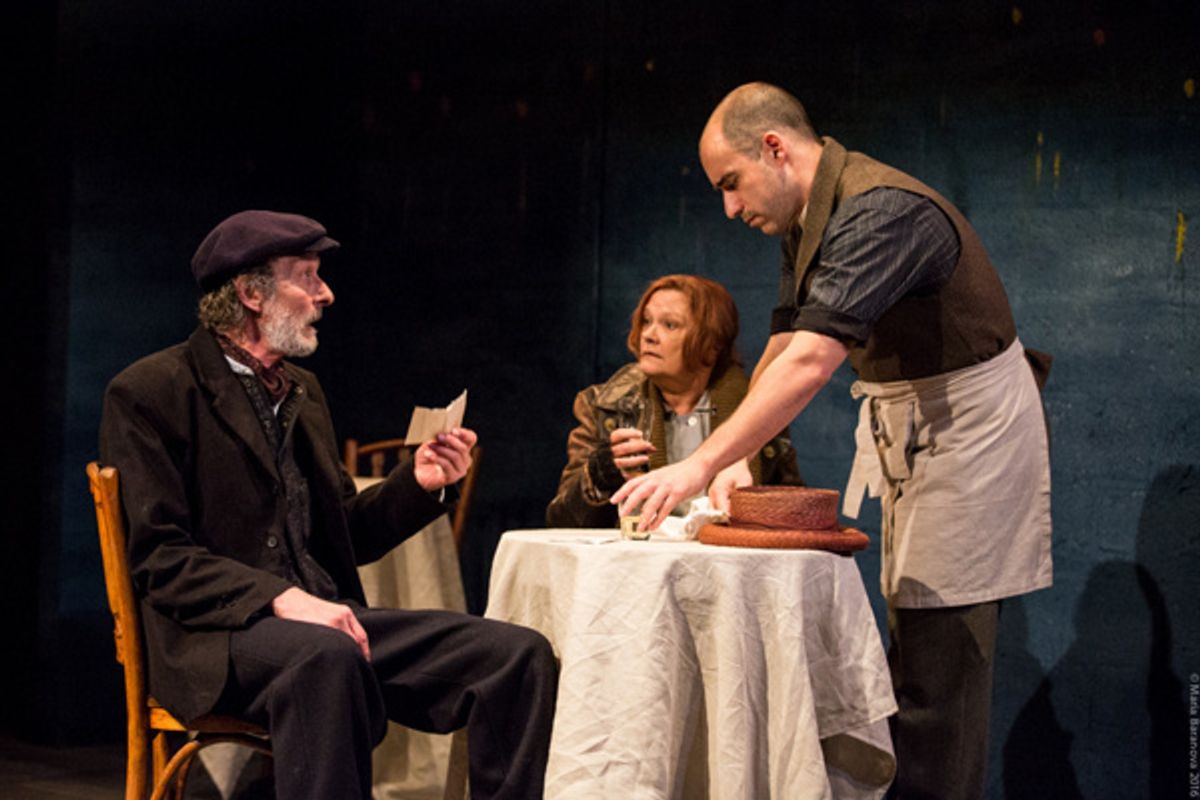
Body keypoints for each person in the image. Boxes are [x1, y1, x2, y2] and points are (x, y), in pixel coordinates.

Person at [613, 83, 1053, 799]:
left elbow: (814, 360)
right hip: (917, 431)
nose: (730, 208)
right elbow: (787, 341)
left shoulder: (880, 211)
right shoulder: (808, 219)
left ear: (774, 149)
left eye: (731, 183)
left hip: (969, 436)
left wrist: (698, 464)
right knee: (914, 657)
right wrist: (740, 454)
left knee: (942, 671)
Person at [99, 210, 557, 800]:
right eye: (307, 276)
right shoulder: (150, 391)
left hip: (325, 626)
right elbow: (161, 558)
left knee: (515, 656)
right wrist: (281, 598)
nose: (326, 294)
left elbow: (348, 532)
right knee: (327, 656)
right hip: (216, 639)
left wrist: (418, 484)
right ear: (251, 294)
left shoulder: (302, 390)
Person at [546, 274, 800, 528]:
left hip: (722, 551)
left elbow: (793, 515)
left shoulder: (757, 409)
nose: (648, 335)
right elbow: (560, 522)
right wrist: (598, 476)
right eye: (646, 322)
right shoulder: (604, 407)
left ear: (712, 344)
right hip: (637, 551)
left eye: (669, 325)